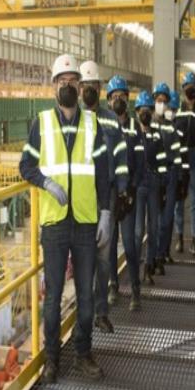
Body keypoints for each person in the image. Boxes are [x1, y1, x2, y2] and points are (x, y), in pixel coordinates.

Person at [19, 54, 112, 384]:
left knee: (86, 297)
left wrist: (105, 212)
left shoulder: (92, 124)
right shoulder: (40, 124)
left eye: (73, 81)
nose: (69, 86)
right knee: (54, 297)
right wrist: (46, 182)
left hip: (86, 223)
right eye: (63, 81)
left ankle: (84, 353)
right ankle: (53, 360)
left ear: (79, 85)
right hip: (55, 224)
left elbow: (104, 172)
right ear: (54, 86)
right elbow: (25, 166)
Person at [79, 60, 128, 335]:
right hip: (81, 198)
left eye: (93, 86)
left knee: (104, 258)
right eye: (84, 86)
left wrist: (122, 190)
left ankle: (101, 313)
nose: (88, 90)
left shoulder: (110, 120)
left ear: (100, 88)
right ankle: (84, 316)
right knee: (84, 259)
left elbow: (120, 156)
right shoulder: (75, 118)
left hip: (105, 197)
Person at [105, 75, 144, 311]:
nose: (118, 100)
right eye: (114, 96)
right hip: (109, 195)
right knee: (109, 246)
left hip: (127, 194)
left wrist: (130, 191)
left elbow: (140, 164)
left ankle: (136, 291)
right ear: (109, 101)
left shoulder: (134, 127)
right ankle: (113, 286)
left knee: (129, 244)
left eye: (122, 96)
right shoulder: (105, 127)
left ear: (127, 100)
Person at [134, 90, 169, 284]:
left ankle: (149, 266)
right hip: (139, 186)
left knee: (154, 227)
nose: (145, 113)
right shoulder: (134, 135)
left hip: (154, 184)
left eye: (148, 110)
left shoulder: (157, 136)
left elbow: (163, 161)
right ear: (137, 111)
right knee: (138, 230)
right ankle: (136, 268)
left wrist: (163, 183)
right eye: (142, 110)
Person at [174, 71, 195, 257]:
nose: (190, 90)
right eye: (188, 87)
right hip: (180, 157)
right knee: (179, 199)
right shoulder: (177, 110)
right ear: (183, 89)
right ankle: (179, 237)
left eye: (194, 87)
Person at [158, 89, 183, 265]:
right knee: (157, 219)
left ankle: (164, 251)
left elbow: (177, 155)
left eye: (163, 100)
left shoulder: (170, 127)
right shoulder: (147, 125)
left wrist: (180, 178)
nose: (161, 103)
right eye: (158, 100)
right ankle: (157, 255)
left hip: (171, 174)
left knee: (167, 217)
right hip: (154, 176)